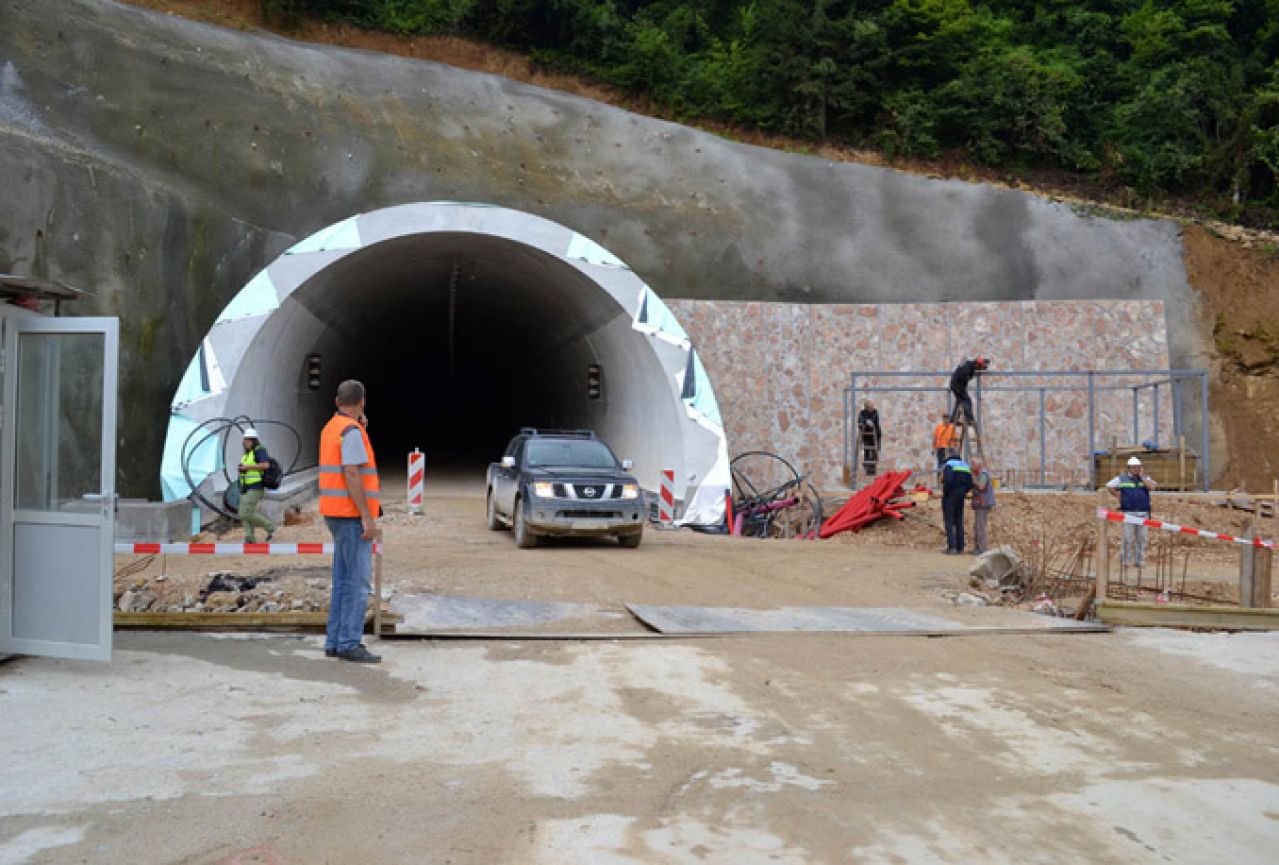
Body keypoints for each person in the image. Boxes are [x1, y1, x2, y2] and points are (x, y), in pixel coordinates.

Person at [319, 379, 383, 663]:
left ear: (336, 402)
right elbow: (352, 473)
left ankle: (334, 641)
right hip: (351, 516)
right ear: (362, 402)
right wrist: (367, 517)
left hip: (333, 513)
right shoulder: (351, 431)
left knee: (342, 580)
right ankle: (349, 643)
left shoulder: (331, 428)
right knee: (357, 583)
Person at [1107, 456, 1157, 568]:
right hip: (1128, 512)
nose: (1136, 469)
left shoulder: (1145, 478)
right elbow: (1109, 486)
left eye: (1138, 467)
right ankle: (1125, 561)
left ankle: (1139, 561)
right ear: (1129, 468)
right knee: (1128, 538)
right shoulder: (1122, 478)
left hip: (1143, 512)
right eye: (1134, 467)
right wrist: (1116, 495)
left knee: (1142, 538)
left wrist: (1142, 477)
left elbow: (1152, 486)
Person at [236, 428, 275, 544]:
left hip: (256, 486)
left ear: (254, 441)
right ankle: (250, 537)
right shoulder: (248, 453)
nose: (246, 442)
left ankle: (269, 526)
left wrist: (246, 468)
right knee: (245, 512)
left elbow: (265, 465)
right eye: (245, 440)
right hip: (246, 487)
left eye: (249, 440)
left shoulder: (260, 450)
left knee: (245, 513)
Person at [940, 449, 974, 555]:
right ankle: (960, 547)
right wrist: (963, 492)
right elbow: (970, 483)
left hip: (950, 496)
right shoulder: (965, 466)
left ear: (948, 456)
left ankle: (952, 547)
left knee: (949, 521)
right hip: (961, 497)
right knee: (959, 521)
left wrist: (946, 491)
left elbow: (948, 481)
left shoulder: (949, 465)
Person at [948, 357, 989, 426]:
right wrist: (970, 376)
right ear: (977, 365)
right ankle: (969, 419)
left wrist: (985, 362)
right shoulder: (967, 368)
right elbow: (964, 378)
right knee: (967, 401)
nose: (979, 369)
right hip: (957, 386)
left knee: (959, 401)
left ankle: (953, 419)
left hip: (956, 384)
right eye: (980, 368)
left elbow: (983, 361)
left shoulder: (970, 364)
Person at [970, 460, 995, 555]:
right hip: (980, 504)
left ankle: (982, 549)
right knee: (976, 527)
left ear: (978, 465)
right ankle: (977, 548)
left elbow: (981, 487)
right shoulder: (980, 474)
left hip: (983, 504)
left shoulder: (983, 474)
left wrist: (973, 480)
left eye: (973, 465)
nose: (971, 467)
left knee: (980, 527)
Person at [857, 400, 882, 476]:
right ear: (866, 407)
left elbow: (876, 422)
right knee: (867, 451)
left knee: (874, 452)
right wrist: (865, 422)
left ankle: (873, 469)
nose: (871, 408)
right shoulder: (862, 413)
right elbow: (860, 421)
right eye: (869, 407)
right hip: (866, 435)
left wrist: (870, 422)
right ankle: (868, 469)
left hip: (875, 435)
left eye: (872, 406)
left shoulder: (875, 412)